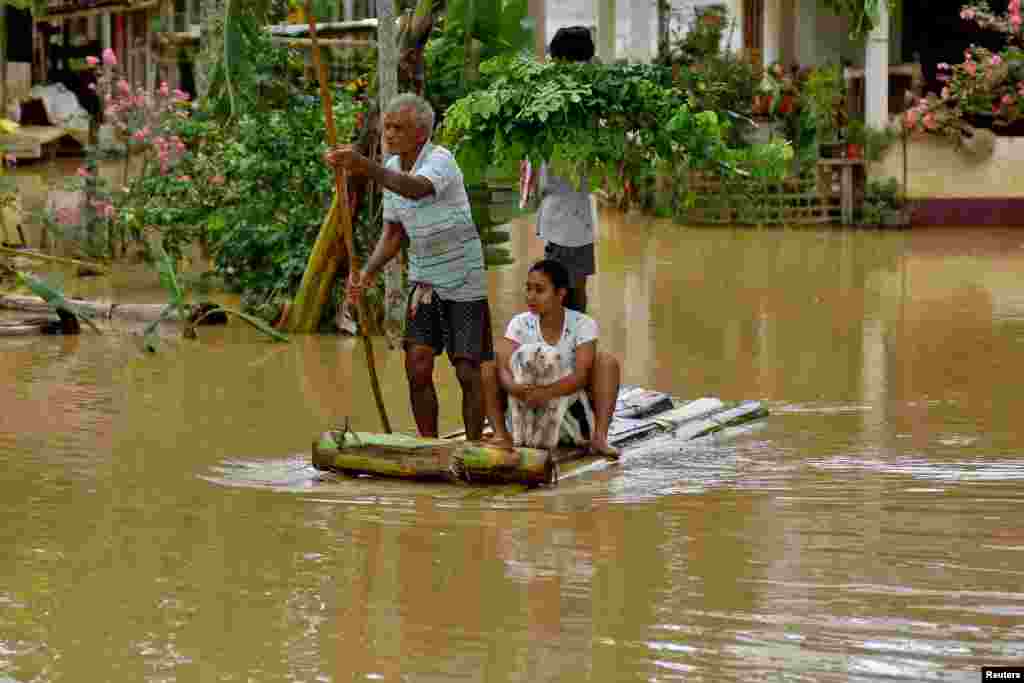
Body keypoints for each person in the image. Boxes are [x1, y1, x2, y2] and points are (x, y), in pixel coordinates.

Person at [324, 93, 493, 441]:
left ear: (421, 133)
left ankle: (475, 444)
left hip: (463, 277)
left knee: (466, 368)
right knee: (416, 364)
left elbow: (417, 189)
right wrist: (366, 274)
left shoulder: (440, 161)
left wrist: (364, 166)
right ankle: (428, 443)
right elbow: (394, 235)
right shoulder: (392, 172)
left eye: (397, 128)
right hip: (425, 278)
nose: (388, 134)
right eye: (386, 127)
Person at [482, 259, 620, 458]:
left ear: (560, 293)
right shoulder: (519, 323)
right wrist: (514, 387)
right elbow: (503, 366)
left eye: (539, 290)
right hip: (525, 407)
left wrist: (545, 393)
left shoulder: (583, 324)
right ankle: (501, 435)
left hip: (568, 409)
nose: (531, 296)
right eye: (528, 289)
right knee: (487, 364)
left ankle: (599, 438)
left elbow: (581, 376)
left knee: (606, 362)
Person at [520, 26, 599, 313]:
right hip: (569, 217)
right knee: (571, 287)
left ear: (563, 60)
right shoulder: (581, 99)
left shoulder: (572, 101)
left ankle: (572, 346)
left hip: (567, 219)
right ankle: (573, 344)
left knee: (567, 290)